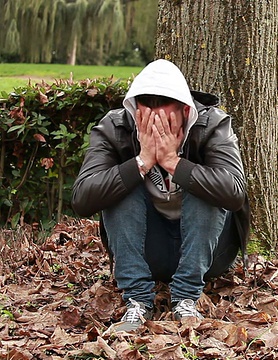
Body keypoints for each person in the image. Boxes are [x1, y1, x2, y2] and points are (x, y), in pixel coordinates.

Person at [72, 59, 250, 332]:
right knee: (122, 182)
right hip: (147, 249)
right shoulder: (114, 127)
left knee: (206, 187)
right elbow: (83, 199)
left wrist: (173, 163)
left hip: (209, 252)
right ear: (134, 107)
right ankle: (136, 300)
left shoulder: (212, 124)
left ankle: (187, 298)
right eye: (146, 103)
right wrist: (141, 162)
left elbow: (234, 192)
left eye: (164, 103)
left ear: (185, 108)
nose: (155, 114)